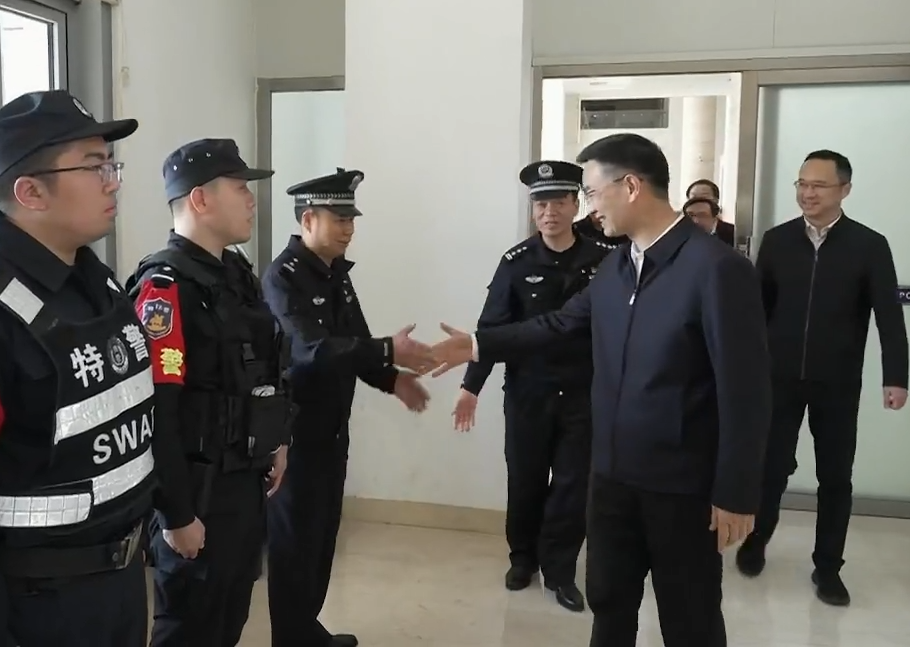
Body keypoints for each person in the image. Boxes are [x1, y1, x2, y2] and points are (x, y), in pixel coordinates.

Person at [428, 133, 772, 647]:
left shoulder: (717, 268)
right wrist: (479, 345)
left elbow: (746, 389)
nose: (588, 208)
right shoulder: (616, 266)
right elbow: (559, 324)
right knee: (609, 605)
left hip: (681, 485)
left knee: (690, 618)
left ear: (630, 186)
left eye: (590, 192)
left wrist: (737, 492)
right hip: (610, 477)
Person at [0, 91, 153, 646]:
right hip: (35, 603)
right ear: (31, 192)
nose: (112, 182)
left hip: (120, 580)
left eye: (111, 165)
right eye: (94, 167)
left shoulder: (99, 284)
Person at [127, 138, 296, 647]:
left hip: (243, 482)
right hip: (196, 491)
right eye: (240, 188)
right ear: (200, 199)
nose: (251, 200)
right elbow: (158, 412)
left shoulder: (236, 275)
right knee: (189, 628)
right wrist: (177, 514)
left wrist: (278, 439)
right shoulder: (165, 287)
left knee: (228, 619)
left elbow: (263, 369)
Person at [262, 168, 432, 647]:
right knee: (294, 545)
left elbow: (354, 342)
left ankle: (306, 629)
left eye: (351, 219)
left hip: (332, 430)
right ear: (308, 220)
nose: (349, 229)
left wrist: (392, 378)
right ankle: (291, 639)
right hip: (294, 437)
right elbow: (311, 350)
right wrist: (388, 351)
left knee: (321, 538)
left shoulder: (335, 273)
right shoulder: (282, 279)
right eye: (339, 219)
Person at [737, 149, 909, 607]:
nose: (807, 193)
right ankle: (756, 541)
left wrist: (896, 376)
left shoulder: (869, 245)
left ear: (844, 190)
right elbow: (756, 312)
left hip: (837, 382)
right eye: (802, 184)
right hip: (778, 378)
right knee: (769, 469)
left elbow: (889, 316)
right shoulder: (777, 240)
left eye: (818, 185)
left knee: (835, 476)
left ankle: (828, 566)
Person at [453, 160, 607, 612]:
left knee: (573, 487)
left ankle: (560, 571)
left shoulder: (603, 258)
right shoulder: (516, 262)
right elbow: (491, 328)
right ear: (532, 209)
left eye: (558, 202)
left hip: (582, 394)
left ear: (575, 205)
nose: (549, 212)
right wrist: (471, 387)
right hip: (528, 393)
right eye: (540, 204)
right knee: (525, 480)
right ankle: (523, 559)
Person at [685, 179, 735, 246]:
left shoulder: (733, 233)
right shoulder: (680, 232)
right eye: (694, 197)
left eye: (704, 197)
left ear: (716, 200)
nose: (699, 200)